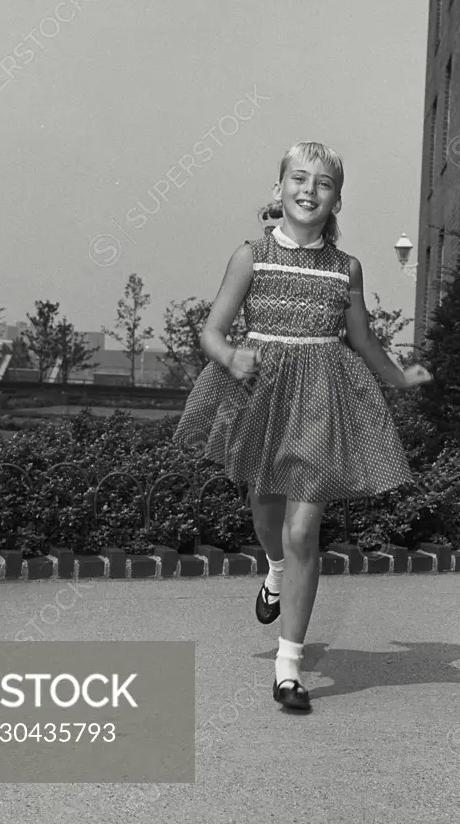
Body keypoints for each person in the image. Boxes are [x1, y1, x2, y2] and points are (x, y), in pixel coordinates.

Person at [174, 141, 433, 713]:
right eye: (299, 178)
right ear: (279, 190)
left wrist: (398, 377)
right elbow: (211, 331)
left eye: (323, 182)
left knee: (302, 533)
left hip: (321, 400)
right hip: (262, 398)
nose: (309, 189)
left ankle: (289, 669)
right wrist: (228, 357)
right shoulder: (251, 257)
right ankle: (271, 571)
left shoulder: (347, 269)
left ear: (337, 198)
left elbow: (362, 340)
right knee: (268, 519)